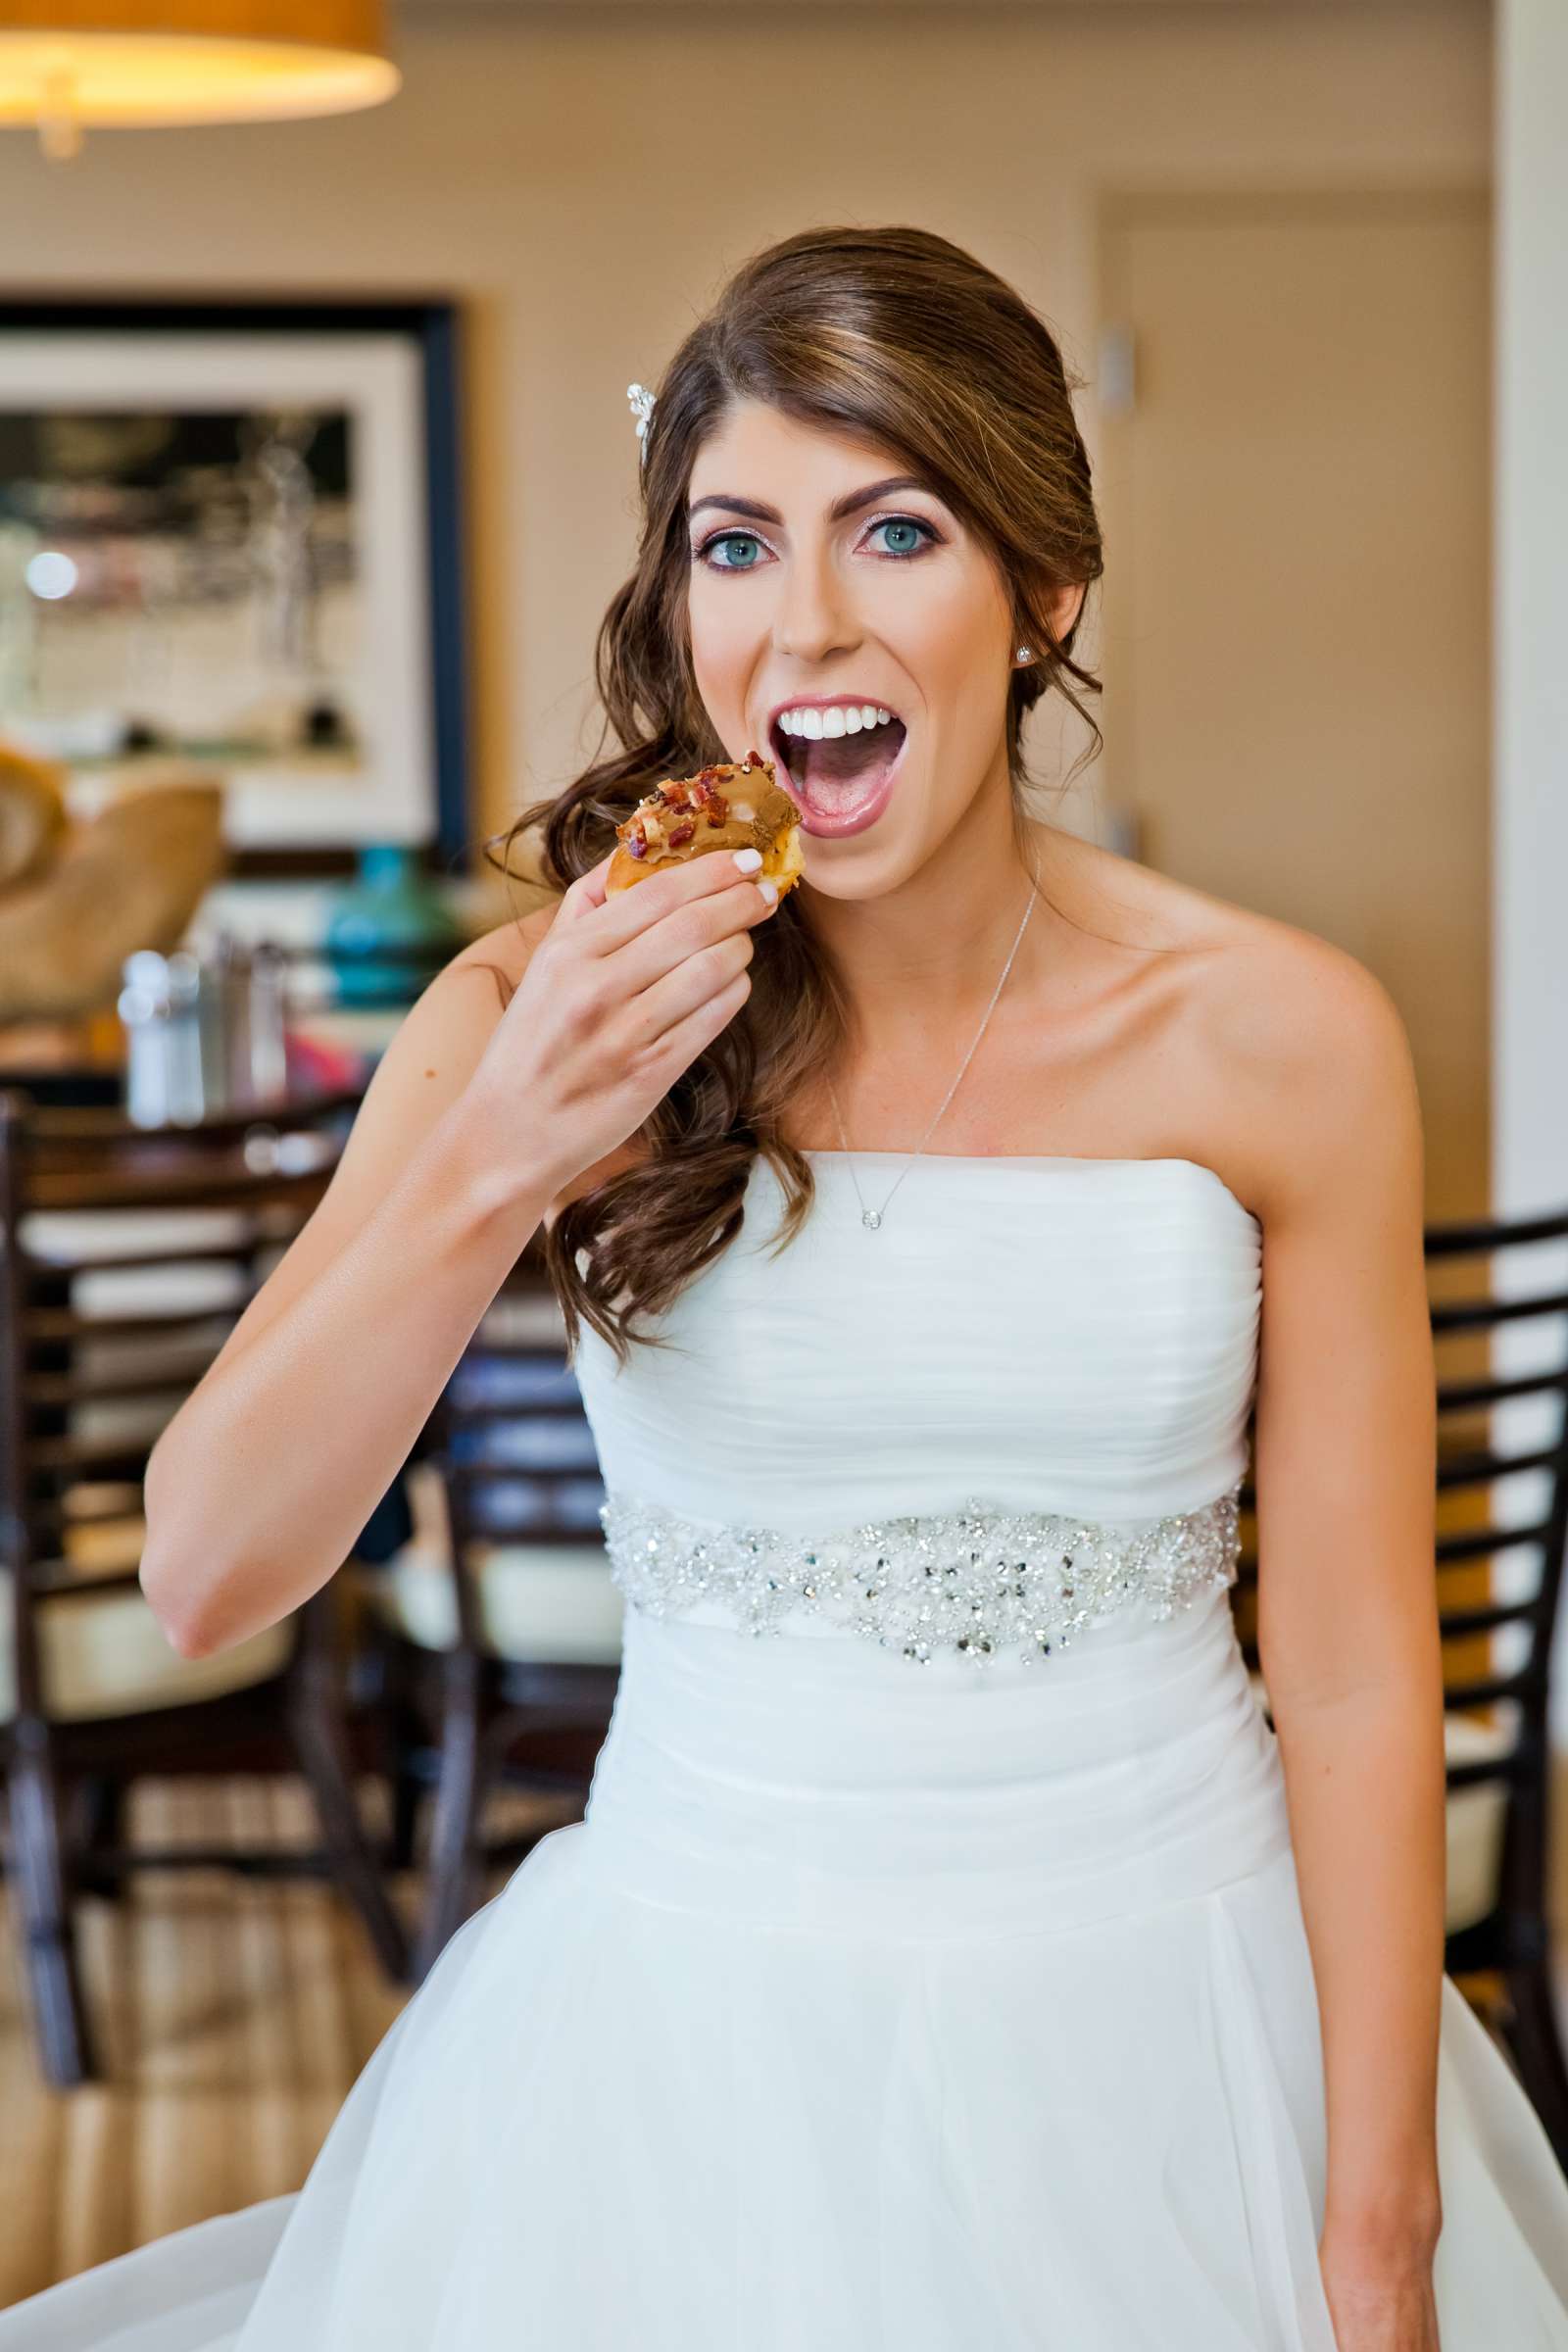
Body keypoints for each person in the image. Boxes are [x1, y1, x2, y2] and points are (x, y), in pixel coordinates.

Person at [6, 223, 1567, 2352]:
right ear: (676, 602)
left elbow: (1366, 1681)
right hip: (682, 2053)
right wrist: (500, 1142)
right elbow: (201, 1574)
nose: (803, 620)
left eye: (894, 531)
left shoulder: (1283, 1035)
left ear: (1043, 590)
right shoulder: (534, 1006)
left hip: (1188, 2040)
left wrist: (1373, 2240)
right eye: (734, 544)